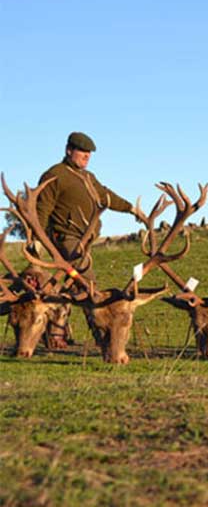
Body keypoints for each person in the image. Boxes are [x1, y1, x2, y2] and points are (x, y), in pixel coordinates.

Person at [32, 131, 145, 347]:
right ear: (69, 150)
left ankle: (55, 333)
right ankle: (102, 337)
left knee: (73, 288)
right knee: (89, 286)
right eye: (82, 152)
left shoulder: (88, 177)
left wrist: (131, 209)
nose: (86, 157)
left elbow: (106, 196)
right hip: (67, 239)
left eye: (89, 153)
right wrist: (36, 239)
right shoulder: (54, 175)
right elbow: (41, 209)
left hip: (84, 242)